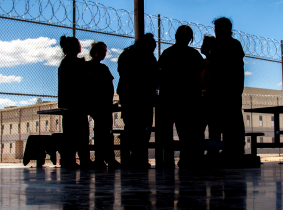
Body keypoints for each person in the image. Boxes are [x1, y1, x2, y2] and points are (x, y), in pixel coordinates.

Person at [158, 25, 206, 167]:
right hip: (188, 98)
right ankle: (185, 159)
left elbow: (160, 74)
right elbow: (201, 74)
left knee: (169, 131)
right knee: (186, 132)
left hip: (170, 97)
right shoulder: (194, 55)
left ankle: (167, 160)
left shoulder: (167, 53)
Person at [116, 33, 159, 169]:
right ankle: (139, 158)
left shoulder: (126, 54)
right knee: (144, 129)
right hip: (144, 97)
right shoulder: (148, 57)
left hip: (128, 96)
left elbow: (122, 73)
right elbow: (155, 76)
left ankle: (129, 158)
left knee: (131, 127)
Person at [207, 17, 246, 160]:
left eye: (217, 29)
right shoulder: (231, 45)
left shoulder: (228, 45)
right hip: (228, 90)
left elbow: (220, 65)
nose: (216, 32)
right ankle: (229, 149)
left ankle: (223, 150)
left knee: (224, 121)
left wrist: (209, 53)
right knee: (228, 121)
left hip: (226, 90)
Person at [57, 35, 92, 168]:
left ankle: (69, 159)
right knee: (82, 134)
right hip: (77, 103)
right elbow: (84, 80)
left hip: (67, 104)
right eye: (78, 43)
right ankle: (84, 159)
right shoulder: (76, 63)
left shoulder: (64, 63)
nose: (80, 46)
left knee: (70, 134)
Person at [86, 41, 120, 169]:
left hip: (102, 103)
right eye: (102, 50)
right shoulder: (93, 68)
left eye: (105, 51)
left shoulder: (101, 68)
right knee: (104, 132)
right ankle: (106, 158)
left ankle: (103, 158)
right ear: (94, 52)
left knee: (103, 132)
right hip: (98, 103)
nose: (104, 53)